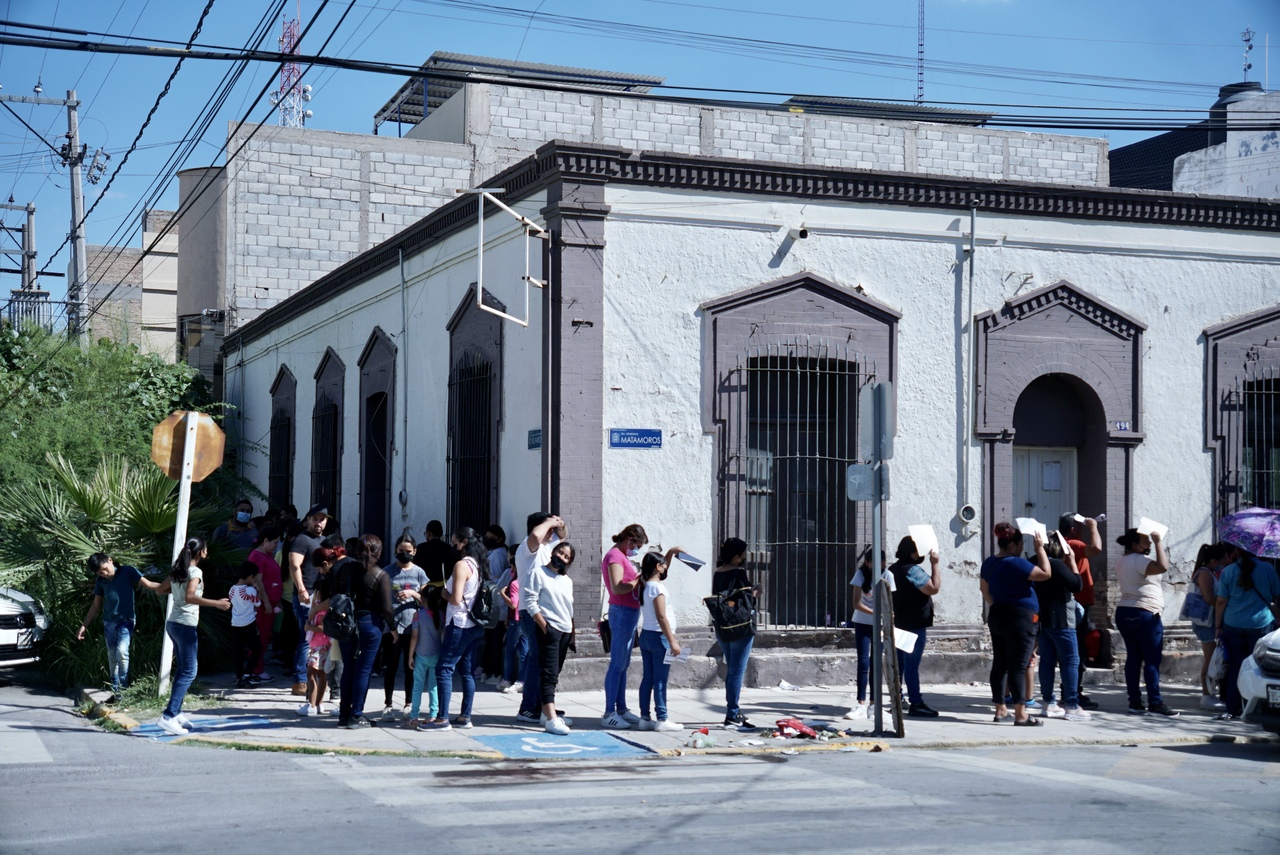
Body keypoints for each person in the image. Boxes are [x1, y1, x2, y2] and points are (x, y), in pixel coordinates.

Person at [155, 538, 230, 736]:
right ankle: (168, 716)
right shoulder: (195, 571)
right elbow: (189, 596)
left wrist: (177, 591)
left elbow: (161, 590)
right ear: (201, 552)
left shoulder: (179, 569)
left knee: (183, 669)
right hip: (185, 625)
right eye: (206, 549)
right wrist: (216, 603)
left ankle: (177, 712)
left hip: (173, 623)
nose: (207, 552)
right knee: (189, 671)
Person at [981, 523, 1051, 726]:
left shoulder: (989, 563)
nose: (1021, 548)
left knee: (1000, 663)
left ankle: (1000, 710)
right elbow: (1045, 574)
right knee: (1018, 666)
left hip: (998, 614)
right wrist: (1040, 549)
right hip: (1021, 618)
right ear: (1012, 545)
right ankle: (1021, 715)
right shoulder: (1016, 563)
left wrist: (997, 605)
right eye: (1020, 544)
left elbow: (984, 590)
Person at [422, 527, 490, 731]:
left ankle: (442, 718)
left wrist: (443, 593)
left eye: (454, 543)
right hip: (474, 625)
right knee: (467, 671)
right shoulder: (478, 564)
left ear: (464, 542)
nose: (452, 546)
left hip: (459, 623)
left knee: (444, 669)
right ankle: (465, 716)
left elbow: (456, 598)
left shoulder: (461, 565)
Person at [76, 553, 162, 700]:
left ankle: (124, 687)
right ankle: (116, 691)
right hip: (109, 622)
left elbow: (148, 584)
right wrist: (84, 626)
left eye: (104, 569)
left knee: (122, 652)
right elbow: (96, 604)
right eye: (99, 572)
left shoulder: (127, 571)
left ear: (110, 560)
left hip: (126, 620)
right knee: (112, 656)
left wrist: (169, 587)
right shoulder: (100, 581)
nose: (104, 573)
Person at [334, 535, 397, 729]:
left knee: (348, 669)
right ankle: (356, 714)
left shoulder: (345, 569)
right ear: (378, 553)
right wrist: (393, 628)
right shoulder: (380, 575)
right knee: (363, 670)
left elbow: (335, 592)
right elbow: (387, 607)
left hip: (346, 623)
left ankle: (344, 713)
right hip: (370, 623)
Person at [1114, 527, 1178, 717]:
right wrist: (1159, 542)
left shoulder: (1122, 561)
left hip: (1125, 611)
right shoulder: (1139, 560)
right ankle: (1155, 703)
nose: (1149, 542)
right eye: (1145, 540)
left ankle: (1134, 702)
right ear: (1134, 544)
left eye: (1150, 540)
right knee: (1151, 660)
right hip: (1145, 612)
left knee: (1133, 658)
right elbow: (1162, 567)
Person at [514, 512, 568, 725]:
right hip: (531, 609)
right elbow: (536, 536)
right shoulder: (527, 547)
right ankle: (528, 708)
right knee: (536, 659)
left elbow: (564, 535)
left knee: (545, 660)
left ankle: (544, 705)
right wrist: (548, 523)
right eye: (549, 529)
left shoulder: (548, 547)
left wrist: (558, 523)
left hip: (548, 611)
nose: (552, 532)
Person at [1214, 548, 1280, 719]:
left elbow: (1221, 601)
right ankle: (1253, 706)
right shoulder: (1267, 569)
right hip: (1261, 624)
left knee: (1236, 666)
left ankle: (1231, 708)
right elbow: (1276, 594)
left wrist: (1217, 626)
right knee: (1258, 668)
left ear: (1236, 551)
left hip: (1233, 624)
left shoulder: (1228, 571)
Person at [1034, 535, 1090, 721]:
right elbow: (1077, 585)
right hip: (1062, 621)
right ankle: (1072, 705)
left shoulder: (1033, 562)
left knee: (1047, 662)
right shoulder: (1057, 565)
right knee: (1070, 662)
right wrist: (1073, 561)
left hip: (1043, 620)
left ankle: (1049, 702)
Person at [525, 541, 577, 735]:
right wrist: (545, 627)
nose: (561, 557)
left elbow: (569, 607)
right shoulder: (538, 573)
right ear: (553, 551)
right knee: (548, 674)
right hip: (549, 629)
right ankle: (552, 719)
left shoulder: (566, 580)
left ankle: (546, 713)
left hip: (565, 631)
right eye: (560, 552)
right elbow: (530, 602)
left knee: (554, 673)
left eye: (566, 556)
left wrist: (571, 631)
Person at [888, 535, 942, 717]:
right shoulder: (913, 571)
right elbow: (933, 588)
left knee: (900, 665)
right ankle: (916, 702)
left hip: (899, 622)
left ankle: (897, 698)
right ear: (912, 553)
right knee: (911, 665)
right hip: (914, 624)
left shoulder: (892, 569)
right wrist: (935, 564)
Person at [601, 523, 648, 730]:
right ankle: (609, 712)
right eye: (637, 544)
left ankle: (621, 708)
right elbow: (617, 587)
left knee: (624, 664)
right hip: (621, 613)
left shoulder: (623, 557)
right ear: (629, 540)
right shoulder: (615, 556)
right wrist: (638, 580)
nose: (637, 549)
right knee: (617, 664)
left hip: (629, 613)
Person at [637, 548, 685, 733]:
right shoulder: (657, 588)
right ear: (658, 567)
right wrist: (672, 641)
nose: (666, 568)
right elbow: (661, 616)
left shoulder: (646, 585)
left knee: (648, 678)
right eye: (664, 565)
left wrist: (671, 553)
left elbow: (662, 566)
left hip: (647, 636)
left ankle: (644, 717)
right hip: (660, 638)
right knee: (660, 680)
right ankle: (662, 718)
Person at [1058, 513, 1102, 710]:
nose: (1084, 527)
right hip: (1079, 603)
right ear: (1073, 529)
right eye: (1081, 525)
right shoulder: (1073, 543)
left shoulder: (1060, 542)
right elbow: (1096, 548)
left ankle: (1069, 690)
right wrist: (1094, 527)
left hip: (1071, 603)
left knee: (1071, 650)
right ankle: (1073, 692)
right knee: (1078, 650)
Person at [381, 535, 427, 720]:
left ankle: (409, 703)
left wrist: (412, 593)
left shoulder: (419, 572)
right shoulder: (387, 572)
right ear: (395, 551)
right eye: (401, 551)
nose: (405, 554)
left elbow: (426, 600)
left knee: (411, 667)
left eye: (409, 551)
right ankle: (388, 704)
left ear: (414, 552)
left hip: (412, 628)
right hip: (392, 627)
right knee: (390, 667)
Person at [712, 537, 757, 728]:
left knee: (732, 669)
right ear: (737, 557)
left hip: (722, 627)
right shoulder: (739, 573)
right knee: (737, 671)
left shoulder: (717, 573)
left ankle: (734, 710)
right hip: (740, 628)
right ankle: (731, 713)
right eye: (743, 554)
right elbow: (746, 603)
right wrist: (756, 593)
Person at [843, 549, 892, 722]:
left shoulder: (888, 575)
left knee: (876, 662)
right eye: (875, 563)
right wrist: (876, 613)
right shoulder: (860, 575)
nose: (879, 566)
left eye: (882, 562)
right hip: (863, 622)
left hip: (879, 625)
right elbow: (856, 603)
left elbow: (891, 601)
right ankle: (861, 703)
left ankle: (874, 704)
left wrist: (886, 616)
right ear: (868, 563)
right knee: (863, 661)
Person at [287, 505, 330, 696]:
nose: (319, 522)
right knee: (307, 638)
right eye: (315, 518)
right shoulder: (301, 540)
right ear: (308, 519)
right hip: (307, 595)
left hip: (320, 596)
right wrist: (301, 589)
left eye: (322, 519)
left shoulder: (324, 541)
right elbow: (294, 565)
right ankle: (300, 681)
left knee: (318, 639)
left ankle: (314, 679)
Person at [298, 545, 340, 717]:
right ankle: (319, 704)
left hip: (319, 645)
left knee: (311, 674)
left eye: (316, 593)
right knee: (321, 675)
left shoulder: (322, 611)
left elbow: (322, 628)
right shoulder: (320, 608)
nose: (314, 596)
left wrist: (309, 627)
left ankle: (312, 704)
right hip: (320, 645)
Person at [1187, 543, 1228, 711]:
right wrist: (1223, 601)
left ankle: (1210, 694)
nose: (1225, 561)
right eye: (1222, 559)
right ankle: (1206, 696)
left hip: (1209, 622)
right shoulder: (1204, 573)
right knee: (1210, 660)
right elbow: (1210, 598)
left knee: (1213, 659)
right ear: (1213, 560)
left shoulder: (1210, 573)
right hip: (1206, 622)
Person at [246, 526, 283, 683]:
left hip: (270, 603)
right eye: (274, 542)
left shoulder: (267, 555)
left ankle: (257, 668)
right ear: (265, 540)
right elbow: (257, 580)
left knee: (265, 637)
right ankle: (255, 669)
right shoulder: (257, 556)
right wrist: (266, 602)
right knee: (259, 638)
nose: (276, 546)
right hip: (262, 605)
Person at [407, 586, 444, 728]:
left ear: (422, 599)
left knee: (417, 686)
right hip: (436, 654)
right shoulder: (441, 615)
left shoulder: (418, 615)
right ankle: (433, 714)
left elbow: (414, 637)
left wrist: (410, 656)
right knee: (433, 686)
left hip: (421, 655)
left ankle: (414, 716)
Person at [230, 562, 267, 689]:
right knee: (256, 649)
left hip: (235, 624)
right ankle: (247, 674)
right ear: (250, 576)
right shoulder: (250, 590)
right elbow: (258, 604)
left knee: (238, 652)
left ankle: (239, 677)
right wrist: (259, 590)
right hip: (249, 624)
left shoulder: (232, 589)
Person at [499, 545, 527, 695]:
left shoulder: (515, 583)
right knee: (523, 652)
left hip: (516, 620)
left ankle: (507, 679)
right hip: (524, 618)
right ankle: (522, 680)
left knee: (509, 651)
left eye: (511, 566)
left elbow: (513, 604)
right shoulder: (526, 580)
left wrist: (503, 594)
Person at [416, 520, 452, 587]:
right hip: (443, 587)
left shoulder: (420, 548)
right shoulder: (448, 548)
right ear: (441, 533)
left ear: (429, 533)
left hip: (424, 588)